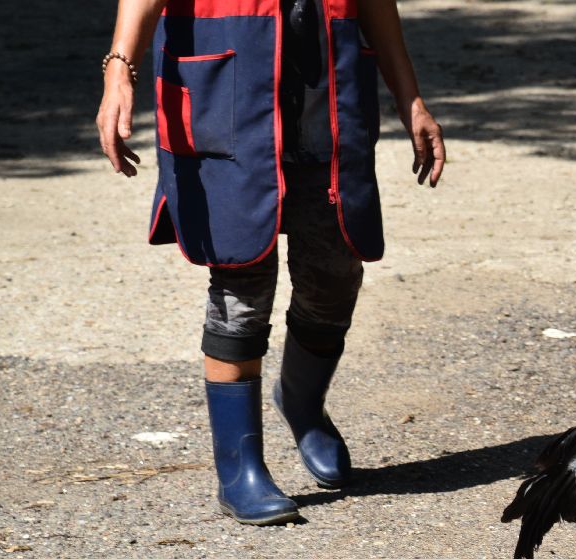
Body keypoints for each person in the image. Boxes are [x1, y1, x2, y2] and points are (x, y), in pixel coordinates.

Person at [96, 0, 445, 524]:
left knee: (335, 275)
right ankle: (241, 472)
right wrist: (119, 69)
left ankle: (302, 402)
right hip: (226, 95)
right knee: (241, 287)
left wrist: (410, 98)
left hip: (326, 104)